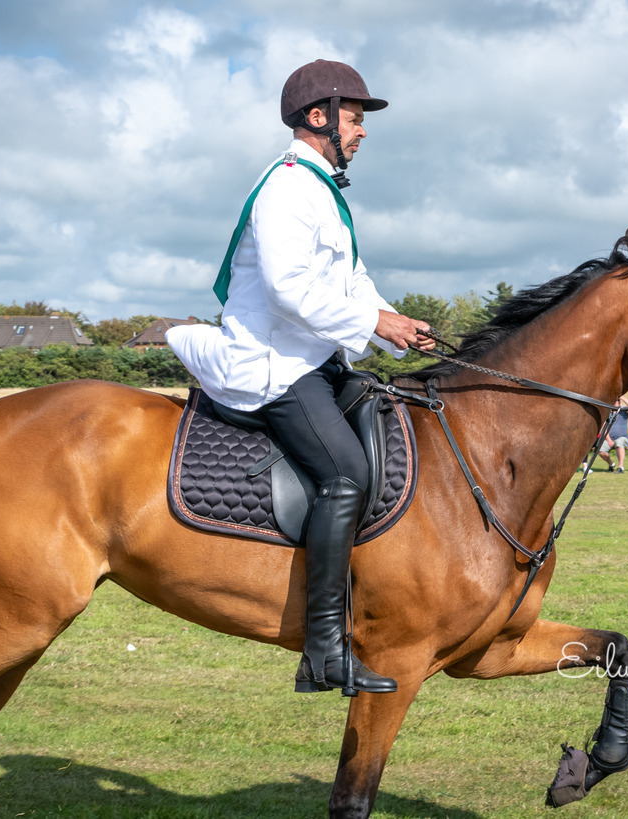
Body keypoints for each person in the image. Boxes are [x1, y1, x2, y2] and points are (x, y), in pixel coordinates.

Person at [167, 59, 435, 695]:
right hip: (273, 365)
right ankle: (325, 651)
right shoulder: (289, 186)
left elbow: (352, 283)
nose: (363, 132)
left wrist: (398, 324)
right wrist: (376, 320)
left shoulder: (321, 190)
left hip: (313, 358)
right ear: (320, 119)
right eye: (355, 118)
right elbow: (289, 292)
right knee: (346, 476)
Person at [596, 396, 628, 473]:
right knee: (601, 451)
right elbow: (603, 427)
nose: (617, 402)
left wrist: (622, 397)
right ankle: (611, 464)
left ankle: (620, 467)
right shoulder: (607, 413)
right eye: (615, 400)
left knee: (619, 443)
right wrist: (609, 440)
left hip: (622, 437)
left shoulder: (624, 411)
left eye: (618, 400)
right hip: (609, 438)